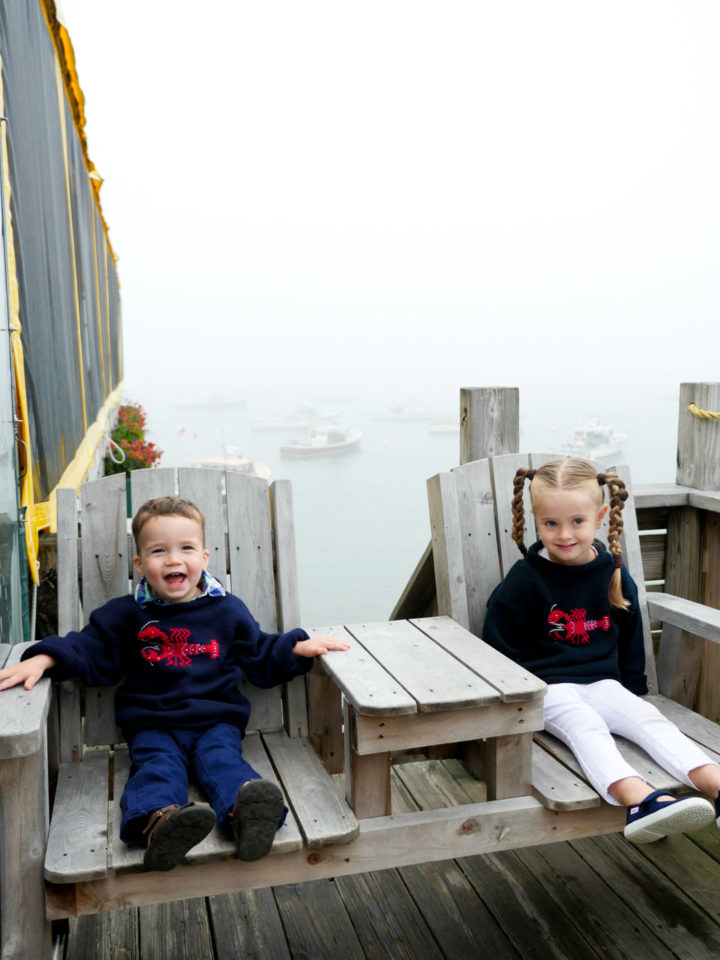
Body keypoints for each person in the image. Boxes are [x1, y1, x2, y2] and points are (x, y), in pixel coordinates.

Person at [0, 496, 350, 871]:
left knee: (223, 762)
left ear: (204, 557)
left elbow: (260, 652)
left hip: (216, 720)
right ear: (139, 564)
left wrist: (296, 648)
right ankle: (160, 823)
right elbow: (88, 647)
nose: (173, 559)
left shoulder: (227, 610)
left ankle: (245, 817)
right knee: (157, 767)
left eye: (186, 548)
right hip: (153, 722)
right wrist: (44, 656)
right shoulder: (127, 614)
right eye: (158, 551)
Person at [482, 457, 720, 844]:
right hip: (547, 689)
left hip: (604, 682)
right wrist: (497, 711)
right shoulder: (526, 578)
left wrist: (634, 688)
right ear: (536, 520)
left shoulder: (611, 571)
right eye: (550, 524)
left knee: (647, 719)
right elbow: (497, 641)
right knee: (586, 726)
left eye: (577, 521)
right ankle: (639, 800)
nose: (563, 534)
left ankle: (714, 785)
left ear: (601, 516)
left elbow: (629, 635)